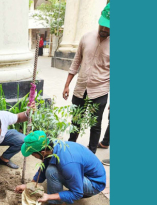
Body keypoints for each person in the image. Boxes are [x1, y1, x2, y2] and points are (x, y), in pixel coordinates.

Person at [62, 3, 110, 154]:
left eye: (108, 27)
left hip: (100, 90)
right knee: (76, 121)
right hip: (81, 88)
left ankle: (91, 153)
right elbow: (76, 61)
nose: (103, 29)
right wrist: (67, 85)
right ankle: (70, 149)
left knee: (95, 125)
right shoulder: (86, 37)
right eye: (102, 25)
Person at [15, 131, 106, 205]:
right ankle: (56, 201)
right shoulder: (52, 146)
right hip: (81, 172)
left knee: (52, 172)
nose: (33, 156)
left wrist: (48, 197)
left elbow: (77, 193)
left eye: (33, 155)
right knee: (50, 168)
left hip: (94, 184)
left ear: (42, 152)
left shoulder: (67, 164)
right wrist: (28, 185)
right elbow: (44, 165)